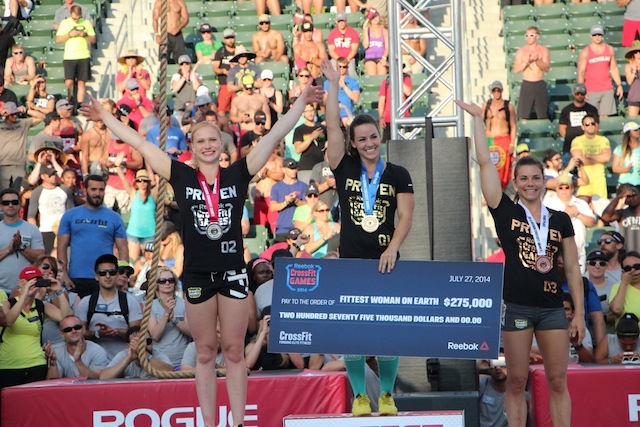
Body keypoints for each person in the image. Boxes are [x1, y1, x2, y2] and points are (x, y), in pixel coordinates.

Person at [80, 82, 324, 427]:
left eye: (213, 140)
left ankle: (237, 423)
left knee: (236, 352)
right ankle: (210, 423)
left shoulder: (238, 173)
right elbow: (138, 143)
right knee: (207, 353)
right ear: (191, 148)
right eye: (201, 142)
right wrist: (104, 116)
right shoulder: (180, 175)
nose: (208, 146)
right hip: (196, 276)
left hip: (233, 273)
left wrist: (300, 100)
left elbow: (275, 134)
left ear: (220, 146)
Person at [455, 98, 585, 427]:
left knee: (557, 381)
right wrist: (477, 119)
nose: (530, 183)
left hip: (553, 308)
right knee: (515, 382)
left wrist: (579, 313)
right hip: (517, 308)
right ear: (515, 183)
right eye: (523, 178)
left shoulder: (560, 220)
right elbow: (485, 163)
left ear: (545, 181)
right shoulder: (505, 211)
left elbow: (572, 269)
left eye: (535, 178)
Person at [323, 59, 415, 416]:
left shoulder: (398, 173)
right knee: (354, 333)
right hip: (351, 262)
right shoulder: (344, 166)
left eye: (373, 136)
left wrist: (393, 248)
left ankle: (388, 394)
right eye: (361, 139)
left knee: (388, 331)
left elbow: (406, 216)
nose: (369, 143)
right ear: (354, 143)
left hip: (385, 262)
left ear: (381, 136)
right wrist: (334, 85)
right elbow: (333, 126)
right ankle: (361, 395)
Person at [0, 265, 72, 389]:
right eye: (30, 281)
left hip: (36, 364)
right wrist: (24, 295)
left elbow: (67, 318)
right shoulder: (8, 303)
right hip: (9, 365)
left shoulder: (40, 306)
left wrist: (59, 291)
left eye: (37, 281)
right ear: (21, 282)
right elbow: (8, 321)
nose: (33, 285)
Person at [57, 175, 128, 298]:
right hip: (76, 277)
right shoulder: (70, 215)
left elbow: (123, 248)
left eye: (101, 190)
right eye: (93, 189)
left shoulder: (115, 218)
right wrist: (64, 275)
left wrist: (122, 276)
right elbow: (61, 246)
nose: (97, 193)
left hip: (105, 277)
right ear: (85, 190)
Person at [75, 254, 143, 360]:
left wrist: (116, 332)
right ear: (96, 276)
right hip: (94, 361)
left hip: (125, 360)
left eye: (111, 272)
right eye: (102, 273)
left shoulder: (130, 301)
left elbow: (137, 334)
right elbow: (78, 333)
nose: (107, 276)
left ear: (116, 275)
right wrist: (97, 333)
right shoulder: (86, 302)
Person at [544, 174, 596, 273]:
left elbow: (592, 222)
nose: (564, 190)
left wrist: (578, 214)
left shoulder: (581, 203)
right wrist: (563, 216)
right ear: (556, 188)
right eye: (561, 187)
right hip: (555, 252)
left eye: (567, 187)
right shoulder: (548, 203)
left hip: (578, 252)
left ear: (572, 188)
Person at [0, 188, 45, 296]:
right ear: (1, 206)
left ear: (20, 205)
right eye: (6, 203)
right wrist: (8, 250)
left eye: (14, 202)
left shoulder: (32, 229)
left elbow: (41, 257)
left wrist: (21, 246)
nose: (10, 205)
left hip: (26, 289)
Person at [27, 163, 75, 254]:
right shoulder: (37, 192)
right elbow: (31, 216)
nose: (53, 176)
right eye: (50, 174)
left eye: (54, 174)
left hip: (63, 230)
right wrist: (36, 234)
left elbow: (71, 212)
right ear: (43, 176)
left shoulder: (65, 190)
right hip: (45, 231)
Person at [148, 266, 191, 367]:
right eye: (162, 281)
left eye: (170, 280)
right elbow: (155, 336)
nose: (167, 283)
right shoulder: (151, 305)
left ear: (175, 283)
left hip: (183, 361)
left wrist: (174, 319)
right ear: (157, 284)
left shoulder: (183, 303)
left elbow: (191, 332)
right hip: (161, 361)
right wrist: (166, 315)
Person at [577, 25, 623, 118]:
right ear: (591, 36)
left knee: (605, 117)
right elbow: (581, 72)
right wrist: (581, 91)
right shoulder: (585, 52)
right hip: (591, 90)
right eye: (595, 35)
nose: (597, 37)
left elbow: (613, 68)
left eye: (599, 34)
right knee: (592, 117)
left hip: (607, 89)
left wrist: (619, 85)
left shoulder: (610, 49)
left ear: (602, 35)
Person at [55, 5, 96, 105]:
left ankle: (79, 104)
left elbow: (93, 40)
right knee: (69, 82)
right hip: (70, 56)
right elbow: (58, 40)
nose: (76, 21)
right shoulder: (65, 23)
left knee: (82, 82)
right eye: (74, 19)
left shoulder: (86, 23)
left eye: (78, 18)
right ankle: (67, 102)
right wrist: (69, 35)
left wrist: (85, 35)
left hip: (84, 56)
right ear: (70, 14)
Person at [46, 314, 108, 379]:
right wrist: (53, 361)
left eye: (77, 327)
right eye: (68, 329)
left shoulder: (97, 351)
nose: (73, 331)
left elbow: (97, 380)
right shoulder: (56, 351)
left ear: (83, 329)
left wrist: (78, 361)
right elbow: (52, 383)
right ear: (62, 335)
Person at [482, 81, 517, 191]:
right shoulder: (486, 106)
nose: (496, 93)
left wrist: (512, 143)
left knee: (504, 168)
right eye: (494, 90)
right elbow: (481, 123)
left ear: (501, 91)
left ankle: (502, 191)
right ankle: (491, 191)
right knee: (490, 167)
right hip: (491, 140)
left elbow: (514, 125)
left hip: (504, 139)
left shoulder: (508, 106)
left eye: (498, 90)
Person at [100, 325, 173, 378]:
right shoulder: (124, 355)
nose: (143, 345)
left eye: (148, 341)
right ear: (128, 346)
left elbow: (170, 372)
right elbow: (103, 377)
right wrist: (128, 359)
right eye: (137, 342)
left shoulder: (157, 354)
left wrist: (144, 354)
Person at [0, 101, 43, 188]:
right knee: (3, 194)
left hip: (19, 164)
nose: (15, 116)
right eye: (12, 114)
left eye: (16, 113)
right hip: (2, 165)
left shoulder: (23, 123)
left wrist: (26, 110)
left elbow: (42, 117)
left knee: (19, 193)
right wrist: (1, 115)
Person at [570, 114, 611, 201]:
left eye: (593, 123)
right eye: (587, 124)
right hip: (584, 180)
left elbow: (606, 158)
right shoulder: (577, 140)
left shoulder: (603, 140)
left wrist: (589, 156)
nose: (590, 126)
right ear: (582, 127)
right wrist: (598, 158)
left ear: (596, 125)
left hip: (600, 181)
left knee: (601, 208)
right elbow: (578, 160)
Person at [513, 26, 550, 119]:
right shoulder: (521, 51)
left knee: (542, 115)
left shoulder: (543, 50)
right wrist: (527, 61)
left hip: (539, 82)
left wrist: (537, 60)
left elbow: (547, 67)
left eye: (531, 35)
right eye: (527, 35)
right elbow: (516, 69)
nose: (528, 37)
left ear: (537, 37)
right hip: (527, 83)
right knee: (524, 115)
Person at [558, 83, 600, 156]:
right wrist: (574, 142)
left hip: (587, 146)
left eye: (582, 94)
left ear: (585, 94)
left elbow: (596, 127)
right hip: (570, 146)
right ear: (574, 94)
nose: (580, 96)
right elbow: (562, 129)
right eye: (577, 94)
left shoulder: (592, 110)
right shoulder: (566, 110)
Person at [270, 158, 308, 237]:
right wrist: (286, 202)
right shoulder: (276, 187)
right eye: (291, 169)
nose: (294, 171)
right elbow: (273, 207)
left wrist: (296, 200)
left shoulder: (303, 186)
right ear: (284, 170)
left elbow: (308, 205)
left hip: (300, 227)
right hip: (282, 228)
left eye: (295, 168)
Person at [293, 103, 326, 184]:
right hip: (306, 167)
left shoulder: (322, 128)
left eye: (311, 110)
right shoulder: (299, 130)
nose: (310, 113)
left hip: (322, 165)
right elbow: (298, 149)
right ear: (303, 113)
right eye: (307, 111)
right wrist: (311, 137)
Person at [586, 249, 617, 334]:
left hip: (609, 337)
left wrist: (602, 317)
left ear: (606, 266)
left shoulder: (615, 287)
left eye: (602, 263)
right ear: (586, 265)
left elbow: (620, 315)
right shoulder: (580, 286)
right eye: (593, 263)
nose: (597, 266)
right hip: (585, 339)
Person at [323, 57, 360, 127]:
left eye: (344, 67)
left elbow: (356, 99)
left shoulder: (353, 82)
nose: (342, 69)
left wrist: (344, 87)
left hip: (347, 114)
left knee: (350, 126)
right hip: (333, 115)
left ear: (347, 67)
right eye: (339, 67)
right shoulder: (328, 82)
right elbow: (324, 101)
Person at [601, 187, 640, 253]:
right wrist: (619, 197)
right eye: (628, 196)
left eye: (634, 195)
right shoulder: (622, 213)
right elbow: (605, 217)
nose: (631, 198)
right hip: (626, 254)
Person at [609, 251, 640, 324]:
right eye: (628, 268)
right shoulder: (617, 287)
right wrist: (624, 284)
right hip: (627, 334)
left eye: (637, 267)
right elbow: (616, 309)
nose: (633, 271)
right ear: (623, 272)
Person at [213, 29, 238, 116]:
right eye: (227, 38)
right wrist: (223, 71)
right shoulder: (220, 52)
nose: (230, 40)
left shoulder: (239, 51)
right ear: (224, 39)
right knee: (222, 110)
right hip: (225, 83)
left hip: (237, 84)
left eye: (231, 37)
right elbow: (215, 68)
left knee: (238, 109)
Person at [327, 12, 359, 78]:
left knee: (351, 73)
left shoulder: (353, 32)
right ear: (336, 21)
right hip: (336, 59)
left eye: (343, 21)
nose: (341, 23)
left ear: (346, 20)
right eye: (339, 21)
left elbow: (354, 50)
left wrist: (347, 59)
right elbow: (331, 51)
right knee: (333, 74)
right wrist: (339, 59)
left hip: (349, 58)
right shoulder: (332, 33)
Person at [612, 122, 640, 186]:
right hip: (625, 183)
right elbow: (615, 168)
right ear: (629, 133)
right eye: (635, 130)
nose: (638, 131)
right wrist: (626, 169)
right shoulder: (620, 149)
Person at [362, 9, 389, 76]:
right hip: (369, 58)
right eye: (373, 17)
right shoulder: (367, 30)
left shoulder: (384, 30)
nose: (375, 18)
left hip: (382, 57)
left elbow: (388, 47)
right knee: (372, 74)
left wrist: (384, 58)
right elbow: (365, 46)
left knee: (381, 76)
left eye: (376, 16)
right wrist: (365, 31)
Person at [625, 42, 640, 117]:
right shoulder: (628, 66)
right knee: (633, 123)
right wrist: (634, 71)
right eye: (635, 52)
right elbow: (629, 82)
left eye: (639, 51)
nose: (638, 53)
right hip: (634, 98)